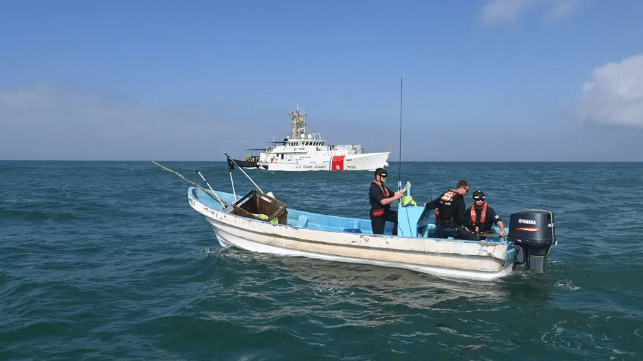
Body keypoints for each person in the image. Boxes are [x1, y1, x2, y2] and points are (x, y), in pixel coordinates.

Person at [369, 168, 408, 235]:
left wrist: (404, 189)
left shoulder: (384, 187)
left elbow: (393, 194)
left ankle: (395, 235)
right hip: (378, 215)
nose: (385, 178)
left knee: (400, 217)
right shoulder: (374, 188)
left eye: (386, 176)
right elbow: (383, 201)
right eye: (383, 176)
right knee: (378, 235)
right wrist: (395, 198)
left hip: (385, 212)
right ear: (378, 177)